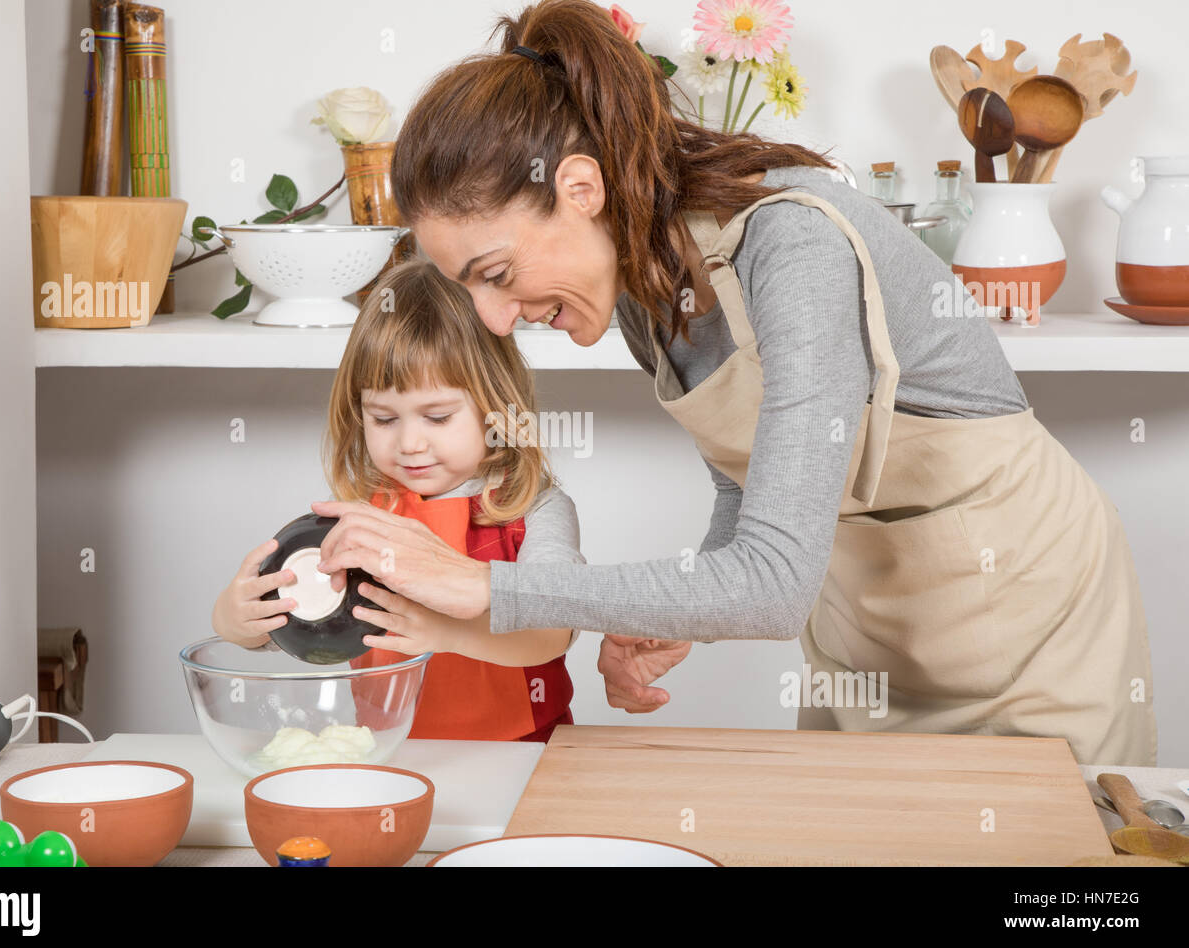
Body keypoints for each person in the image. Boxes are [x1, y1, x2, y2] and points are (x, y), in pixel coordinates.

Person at [311, 0, 1156, 765]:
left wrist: (486, 587)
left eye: (496, 272)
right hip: (868, 641)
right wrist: (668, 617)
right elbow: (746, 481)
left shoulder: (792, 247)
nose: (494, 321)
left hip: (1029, 627)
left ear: (578, 189)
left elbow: (775, 583)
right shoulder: (646, 294)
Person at [213, 257, 584, 743]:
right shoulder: (356, 518)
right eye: (384, 419)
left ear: (496, 406)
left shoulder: (535, 509)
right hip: (393, 753)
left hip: (529, 749)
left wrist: (449, 632)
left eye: (437, 417)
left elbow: (553, 630)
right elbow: (302, 628)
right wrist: (238, 620)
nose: (409, 443)